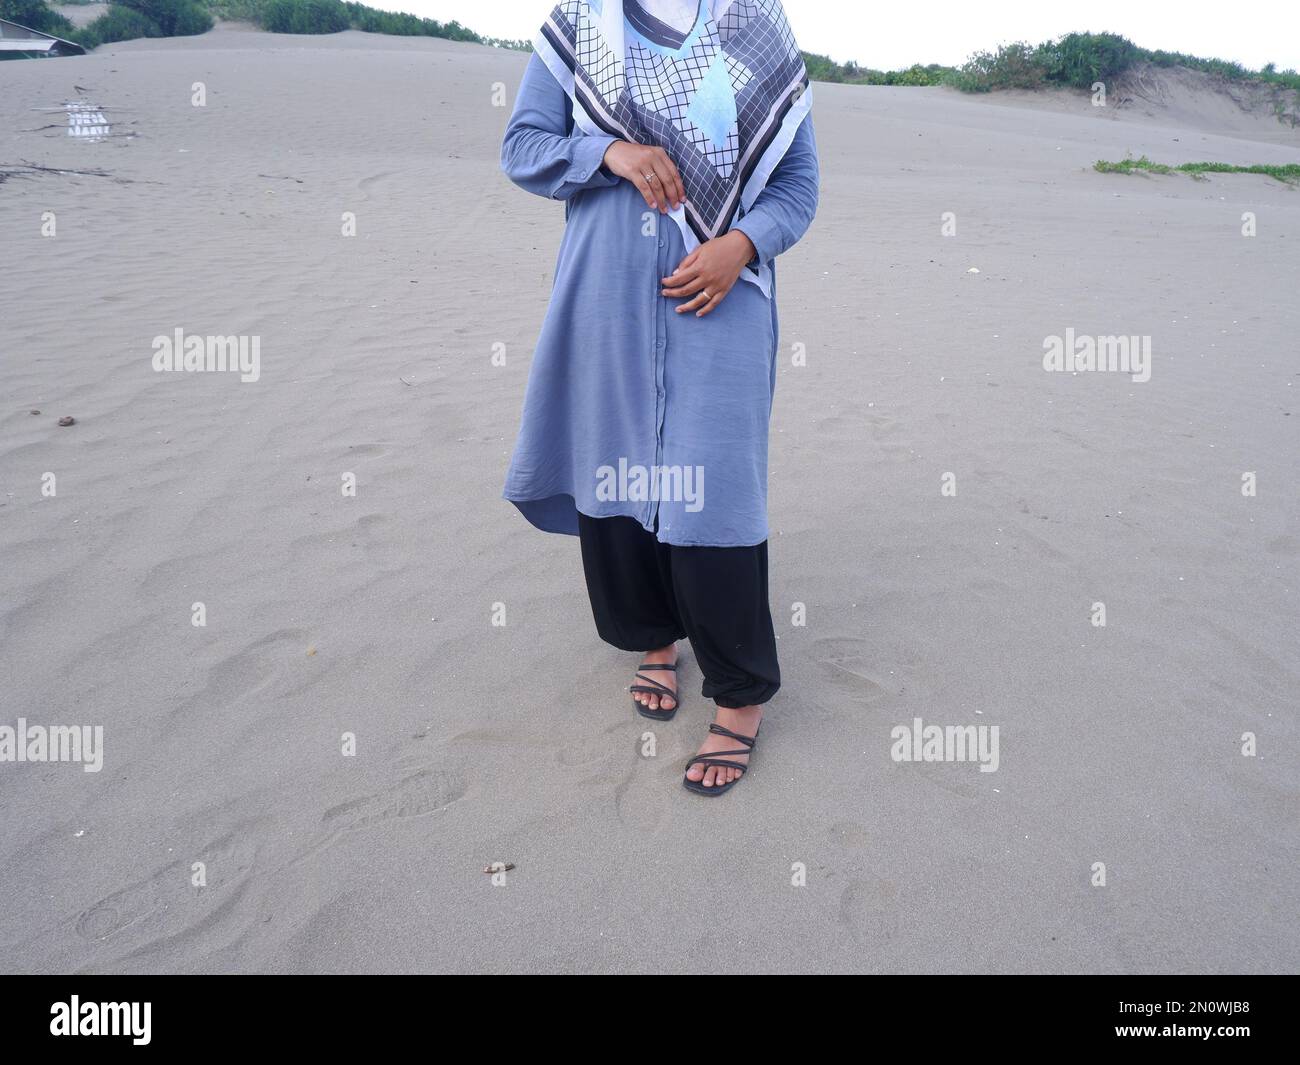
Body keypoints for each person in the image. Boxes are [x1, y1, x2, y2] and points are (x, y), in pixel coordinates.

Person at [501, 0, 819, 795]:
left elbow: (799, 183)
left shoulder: (755, 25)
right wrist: (609, 151)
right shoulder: (581, 20)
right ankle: (653, 638)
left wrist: (741, 244)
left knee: (714, 490)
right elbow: (523, 147)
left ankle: (741, 697)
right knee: (618, 468)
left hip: (723, 294)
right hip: (603, 289)